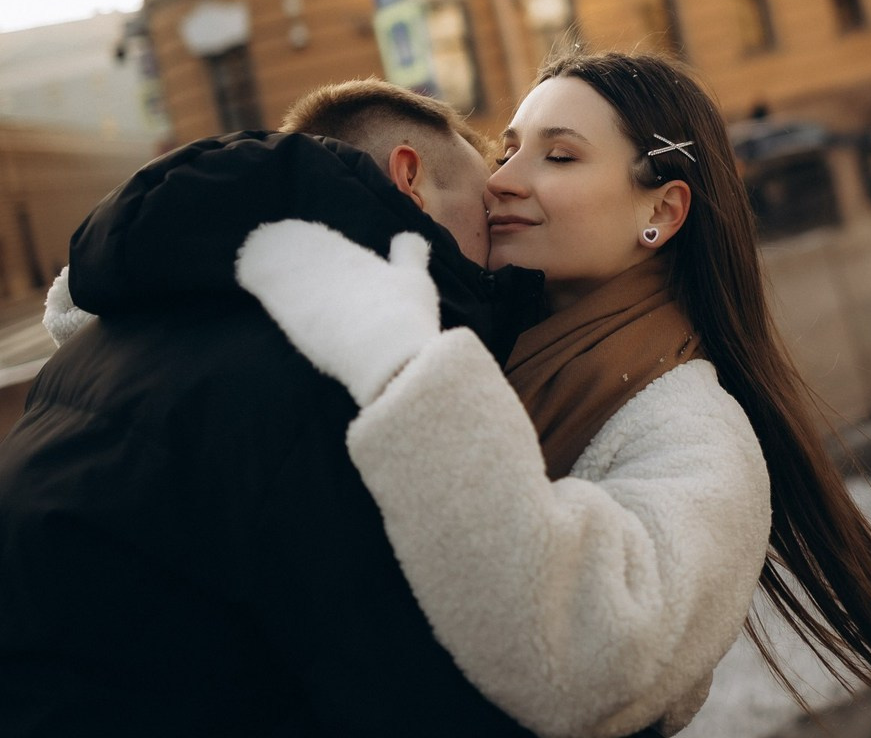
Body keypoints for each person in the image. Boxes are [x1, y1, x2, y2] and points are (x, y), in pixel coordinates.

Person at [237, 52, 871, 738]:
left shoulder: (696, 433)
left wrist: (401, 368)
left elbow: (590, 659)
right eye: (508, 147)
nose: (502, 180)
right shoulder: (476, 345)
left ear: (660, 212)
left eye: (558, 157)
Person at [0, 83, 546, 736]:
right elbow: (418, 697)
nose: (496, 245)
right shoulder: (338, 365)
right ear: (411, 179)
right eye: (483, 202)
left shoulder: (130, 318)